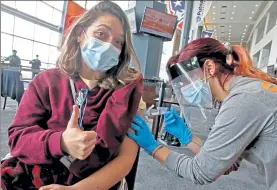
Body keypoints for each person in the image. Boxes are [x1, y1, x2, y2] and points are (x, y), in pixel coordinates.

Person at [1, 1, 143, 190]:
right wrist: (60, 142)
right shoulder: (46, 82)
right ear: (79, 34)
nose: (109, 45)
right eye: (101, 34)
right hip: (37, 177)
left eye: (118, 42)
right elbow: (18, 138)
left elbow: (125, 159)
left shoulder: (128, 90)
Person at [128, 38, 277, 190]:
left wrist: (153, 147)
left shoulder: (242, 101)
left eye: (189, 80)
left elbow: (200, 172)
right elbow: (227, 163)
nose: (187, 89)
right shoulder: (244, 93)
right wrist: (187, 137)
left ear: (210, 67)